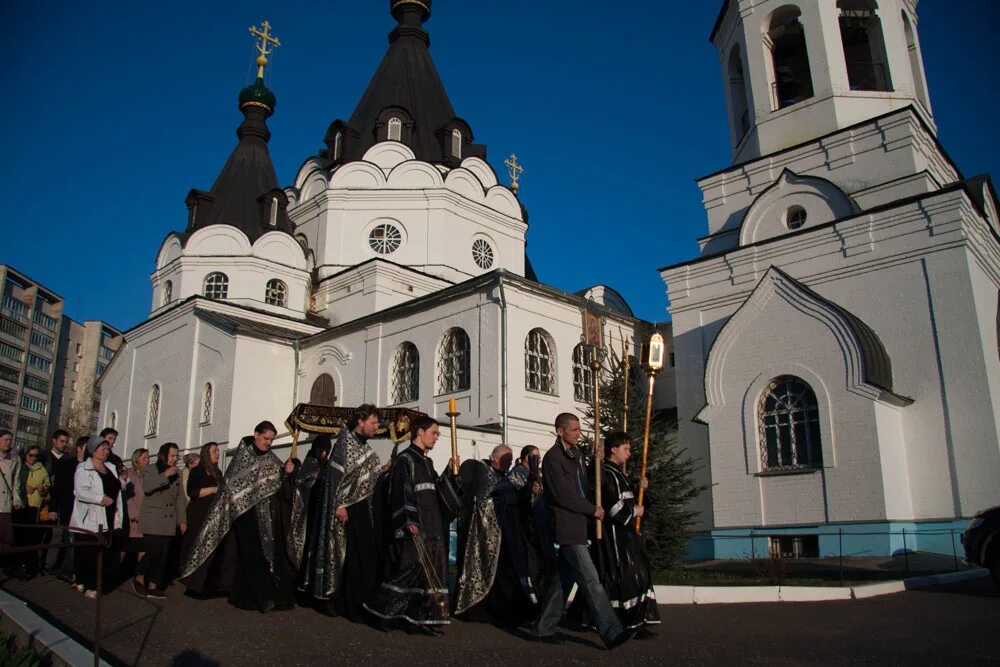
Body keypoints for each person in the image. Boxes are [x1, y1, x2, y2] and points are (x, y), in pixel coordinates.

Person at [525, 413, 631, 649]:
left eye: (579, 429)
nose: (578, 433)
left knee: (563, 580)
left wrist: (598, 464)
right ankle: (612, 631)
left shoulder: (576, 456)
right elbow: (563, 495)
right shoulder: (553, 459)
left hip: (580, 525)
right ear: (560, 431)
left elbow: (586, 486)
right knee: (590, 579)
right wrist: (593, 510)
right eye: (573, 429)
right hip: (566, 526)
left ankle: (542, 628)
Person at [181, 421, 296, 612]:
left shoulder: (271, 459)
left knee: (268, 555)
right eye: (266, 438)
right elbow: (231, 487)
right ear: (256, 435)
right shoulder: (242, 457)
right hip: (244, 515)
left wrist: (287, 473)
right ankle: (256, 598)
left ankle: (269, 595)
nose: (268, 443)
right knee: (249, 555)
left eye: (272, 440)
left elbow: (280, 484)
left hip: (266, 516)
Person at [364, 416, 459, 632]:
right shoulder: (405, 460)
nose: (437, 437)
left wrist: (450, 472)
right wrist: (408, 520)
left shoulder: (427, 462)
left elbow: (437, 490)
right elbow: (401, 491)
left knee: (430, 573)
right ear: (420, 432)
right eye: (434, 433)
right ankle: (378, 610)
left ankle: (427, 619)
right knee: (408, 570)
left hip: (432, 525)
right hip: (416, 525)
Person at [290, 405, 382, 619]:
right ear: (360, 421)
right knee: (336, 553)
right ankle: (328, 596)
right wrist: (338, 505)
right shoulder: (344, 444)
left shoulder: (366, 449)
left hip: (360, 509)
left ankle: (353, 599)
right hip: (342, 510)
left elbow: (368, 476)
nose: (377, 426)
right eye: (374, 422)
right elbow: (333, 480)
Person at [454, 444, 538, 627]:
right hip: (485, 534)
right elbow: (486, 497)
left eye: (510, 460)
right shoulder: (483, 473)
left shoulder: (506, 476)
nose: (508, 463)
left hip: (505, 534)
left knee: (507, 575)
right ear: (494, 458)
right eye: (505, 459)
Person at [595, 432, 659, 637]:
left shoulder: (622, 475)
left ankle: (639, 619)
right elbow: (613, 508)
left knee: (638, 575)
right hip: (616, 536)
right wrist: (633, 512)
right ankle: (628, 621)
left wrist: (643, 491)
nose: (629, 454)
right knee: (626, 577)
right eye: (625, 449)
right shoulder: (606, 474)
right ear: (613, 449)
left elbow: (636, 503)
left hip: (629, 535)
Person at [70, 437, 124, 599]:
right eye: (102, 449)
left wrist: (124, 482)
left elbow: (116, 486)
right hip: (89, 516)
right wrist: (100, 498)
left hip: (107, 514)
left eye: (107, 449)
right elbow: (80, 492)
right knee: (87, 553)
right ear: (93, 450)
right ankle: (88, 583)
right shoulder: (83, 468)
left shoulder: (110, 467)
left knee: (102, 551)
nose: (106, 452)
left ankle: (92, 581)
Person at [133, 443, 186, 599]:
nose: (175, 459)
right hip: (153, 518)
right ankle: (139, 577)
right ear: (163, 455)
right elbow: (147, 487)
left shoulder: (178, 474)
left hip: (169, 519)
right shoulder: (150, 469)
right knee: (153, 550)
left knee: (163, 554)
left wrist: (182, 519)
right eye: (172, 456)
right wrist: (165, 475)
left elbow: (180, 498)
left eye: (177, 456)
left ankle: (153, 585)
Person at [179, 443, 221, 570]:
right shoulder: (197, 471)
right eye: (215, 451)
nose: (218, 454)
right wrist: (213, 489)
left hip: (212, 513)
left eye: (218, 451)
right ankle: (186, 569)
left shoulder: (217, 472)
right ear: (206, 454)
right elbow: (192, 491)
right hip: (197, 513)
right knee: (193, 542)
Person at [52, 437, 87, 583]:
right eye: (87, 447)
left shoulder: (89, 466)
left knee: (77, 542)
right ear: (79, 448)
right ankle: (65, 571)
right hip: (69, 509)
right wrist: (53, 509)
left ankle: (71, 569)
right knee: (71, 542)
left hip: (83, 511)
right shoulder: (68, 465)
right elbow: (58, 488)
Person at [15, 445, 51, 578]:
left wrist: (42, 489)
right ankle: (17, 565)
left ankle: (29, 566)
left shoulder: (41, 469)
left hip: (35, 506)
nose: (33, 458)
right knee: (19, 536)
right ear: (25, 455)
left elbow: (47, 485)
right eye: (31, 455)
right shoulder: (20, 467)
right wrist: (24, 489)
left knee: (32, 537)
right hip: (21, 504)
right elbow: (14, 483)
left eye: (36, 455)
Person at [40, 430, 71, 574]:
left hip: (59, 501)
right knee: (42, 533)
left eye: (66, 442)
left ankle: (51, 564)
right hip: (42, 499)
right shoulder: (44, 456)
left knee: (57, 534)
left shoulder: (68, 459)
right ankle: (38, 562)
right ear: (54, 440)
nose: (64, 444)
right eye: (61, 441)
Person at [0, 430, 23, 577]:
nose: (8, 442)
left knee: (5, 537)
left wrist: (17, 498)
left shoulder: (15, 458)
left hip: (5, 503)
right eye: (5, 439)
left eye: (10, 439)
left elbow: (16, 482)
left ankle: (4, 566)